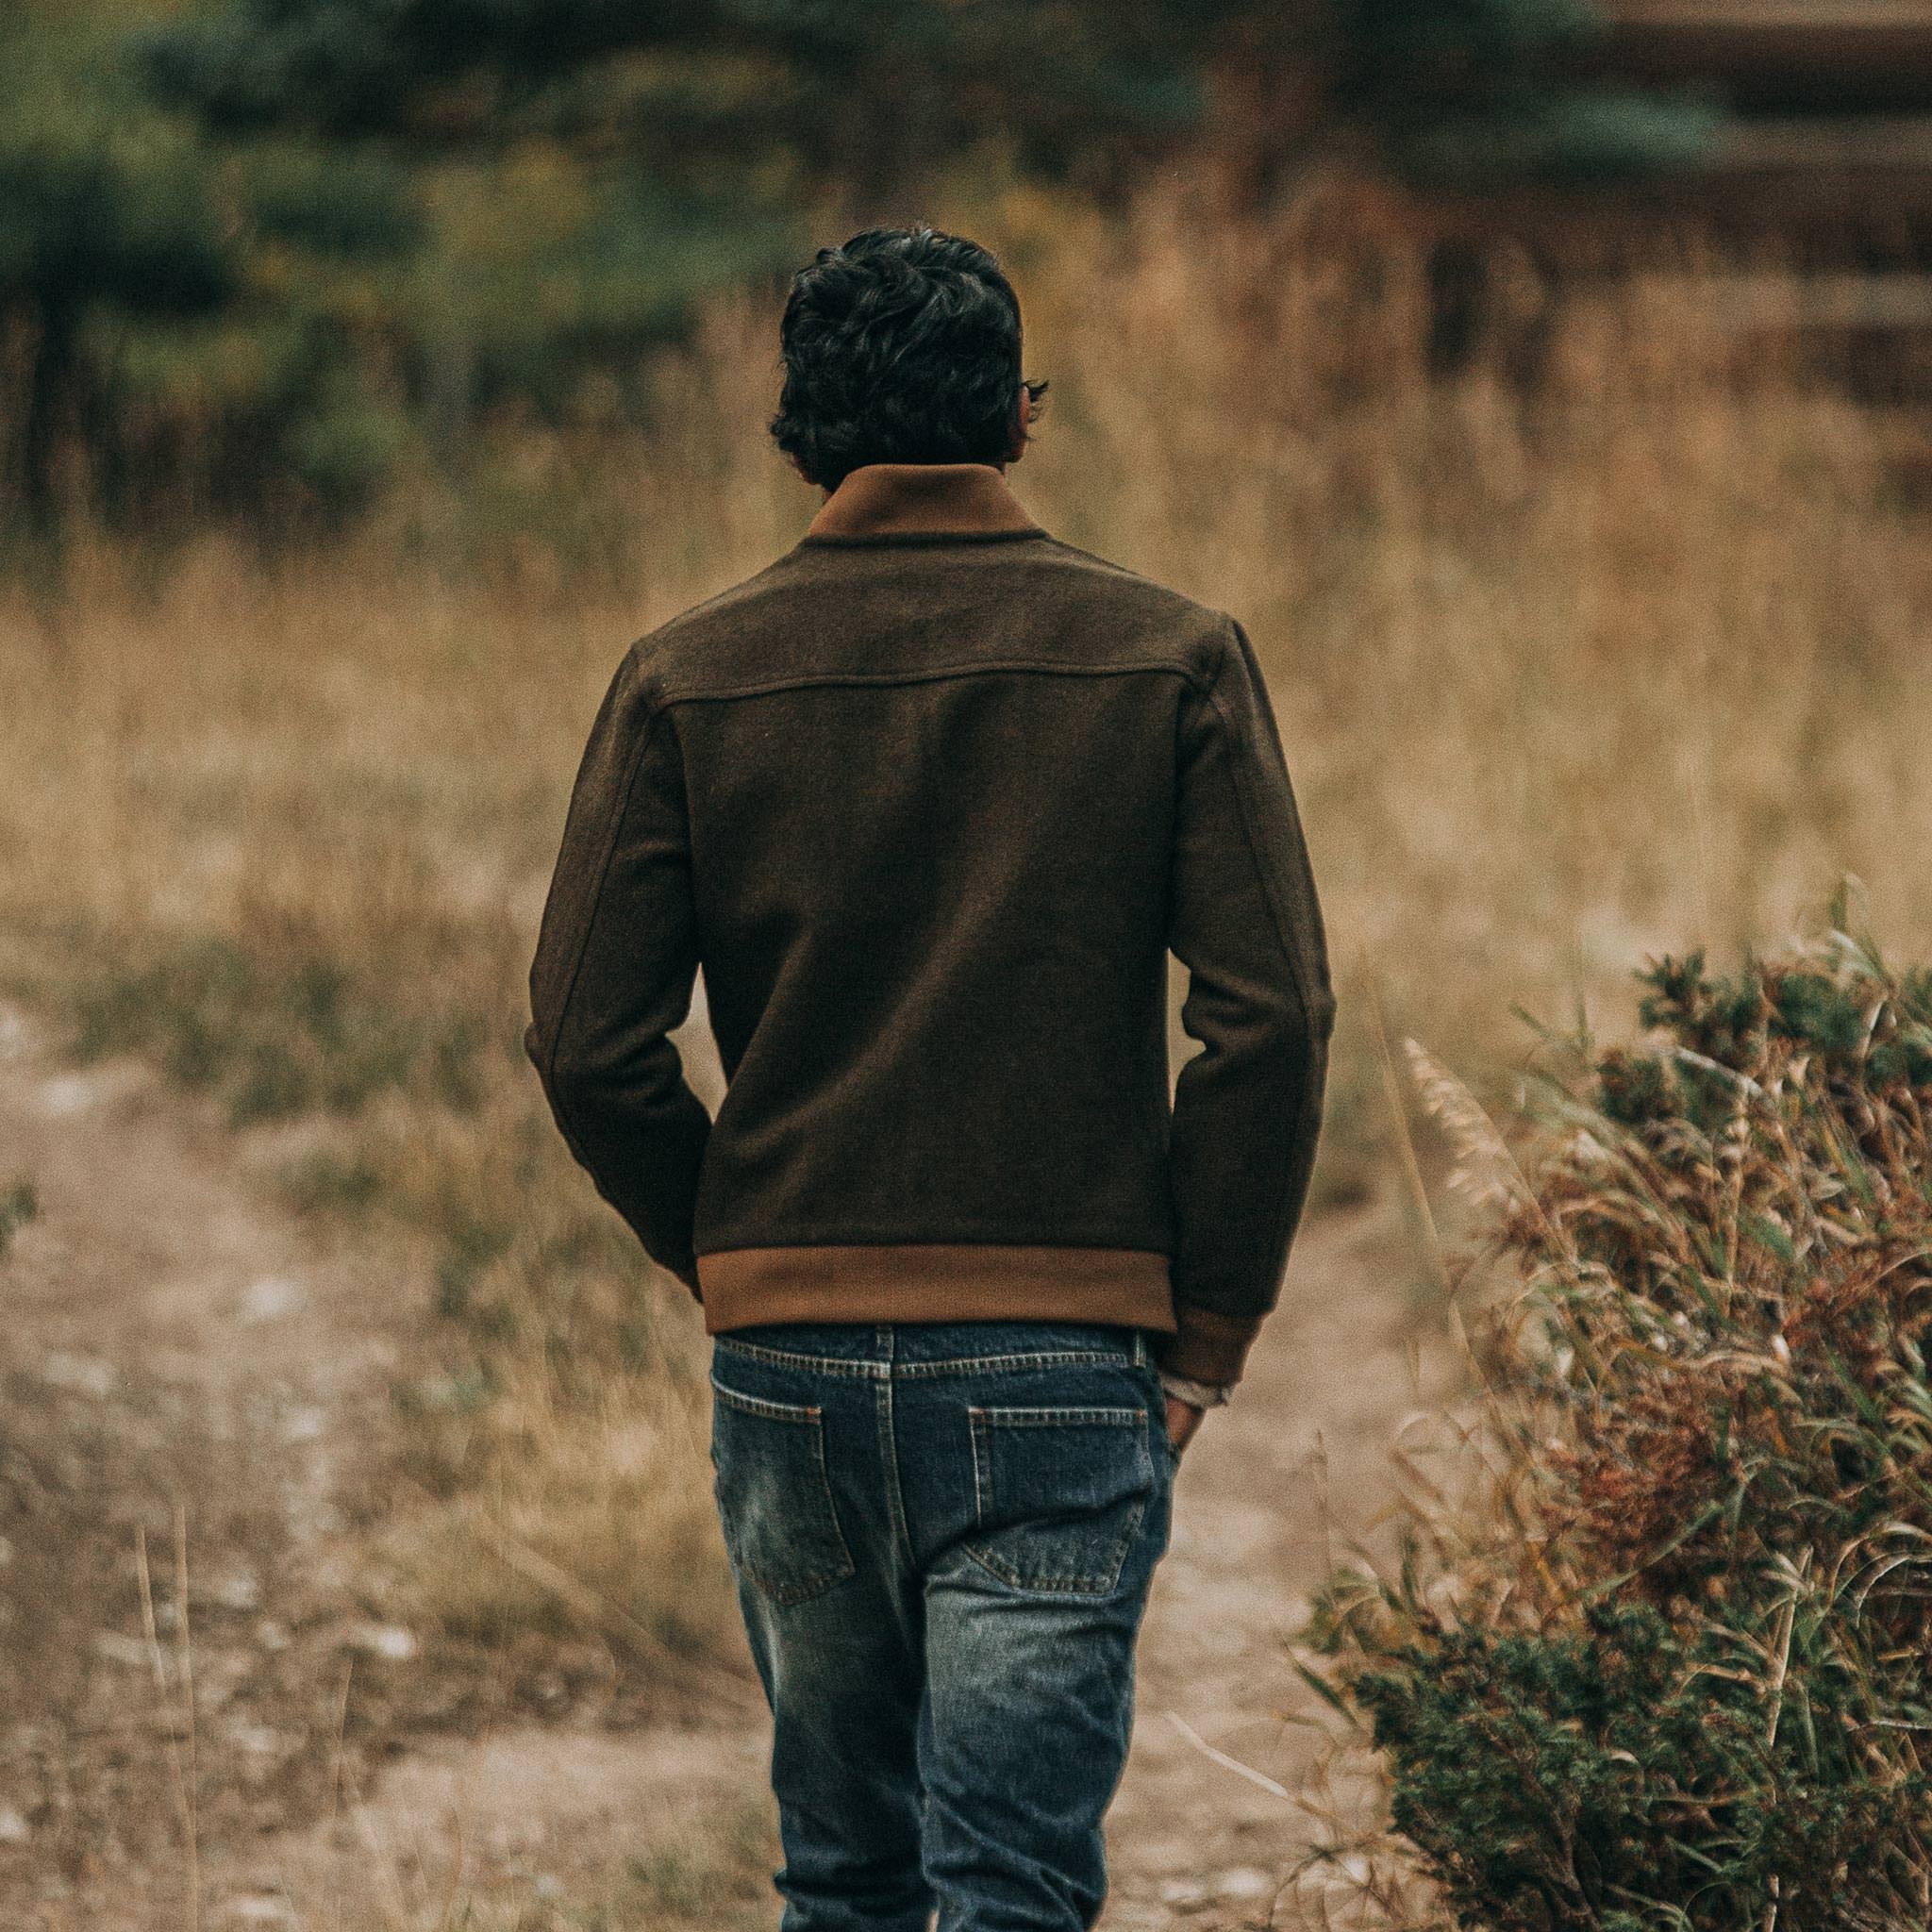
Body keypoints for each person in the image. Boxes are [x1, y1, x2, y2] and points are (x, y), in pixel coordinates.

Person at [524, 223, 1336, 1932]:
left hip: (790, 1369)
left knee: (847, 1876)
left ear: (796, 435)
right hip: (1062, 1362)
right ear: (1021, 416)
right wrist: (1210, 1331)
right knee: (1014, 1887)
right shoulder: (1173, 656)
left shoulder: (686, 675)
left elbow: (587, 1039)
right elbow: (1268, 1019)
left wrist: (735, 1248)